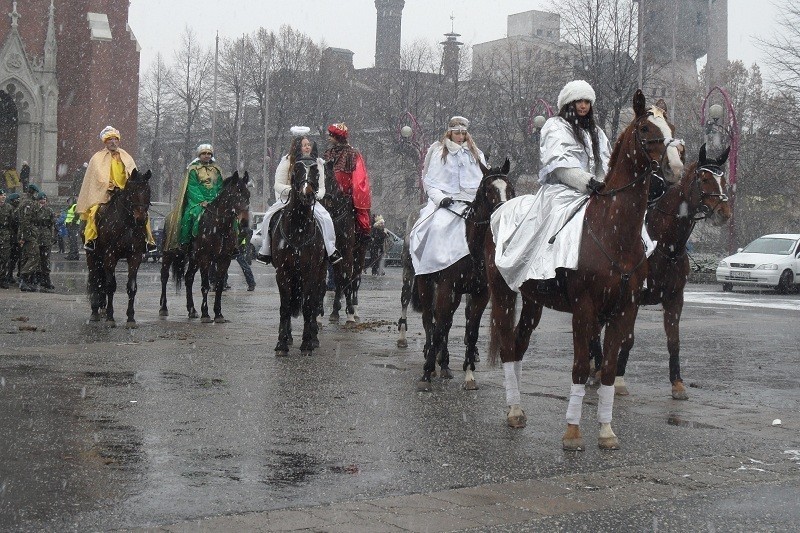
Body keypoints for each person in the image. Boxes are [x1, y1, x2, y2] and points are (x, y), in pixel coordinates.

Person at [491, 79, 613, 293]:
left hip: (596, 189)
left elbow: (605, 163)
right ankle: (547, 273)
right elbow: (559, 166)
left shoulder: (598, 132)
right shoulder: (555, 126)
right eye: (578, 101)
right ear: (569, 104)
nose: (583, 106)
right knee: (556, 215)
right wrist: (587, 182)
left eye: (587, 101)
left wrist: (602, 183)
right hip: (563, 189)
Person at [409, 116, 486, 275]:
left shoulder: (476, 154)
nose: (460, 137)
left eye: (463, 133)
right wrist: (440, 199)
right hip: (446, 202)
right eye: (457, 133)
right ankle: (432, 268)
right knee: (436, 227)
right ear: (450, 133)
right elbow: (431, 183)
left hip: (471, 202)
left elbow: (483, 182)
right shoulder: (439, 153)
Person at [255, 126, 342, 265]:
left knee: (326, 219)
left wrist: (315, 195)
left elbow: (322, 187)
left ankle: (331, 250)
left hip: (310, 200)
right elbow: (278, 184)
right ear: (297, 146)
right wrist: (294, 192)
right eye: (305, 145)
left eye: (309, 145)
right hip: (288, 199)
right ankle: (266, 250)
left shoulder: (317, 162)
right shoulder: (287, 161)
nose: (308, 147)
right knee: (268, 217)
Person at [76, 126, 157, 253]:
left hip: (125, 192)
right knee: (95, 211)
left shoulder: (126, 156)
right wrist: (111, 186)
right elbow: (98, 178)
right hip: (105, 193)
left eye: (115, 139)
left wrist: (129, 187)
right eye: (110, 140)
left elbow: (133, 175)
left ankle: (148, 241)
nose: (113, 142)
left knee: (142, 213)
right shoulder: (97, 158)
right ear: (105, 142)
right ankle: (91, 239)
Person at [163, 144, 224, 253]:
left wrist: (216, 199)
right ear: (199, 155)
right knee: (191, 215)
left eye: (209, 154)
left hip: (214, 201)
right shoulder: (193, 169)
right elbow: (192, 186)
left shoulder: (216, 170)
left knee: (229, 217)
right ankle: (185, 242)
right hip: (197, 202)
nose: (207, 156)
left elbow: (220, 186)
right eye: (204, 153)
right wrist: (202, 200)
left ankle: (233, 245)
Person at [322, 122, 372, 241]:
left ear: (337, 137)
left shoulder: (353, 154)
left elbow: (359, 177)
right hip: (328, 194)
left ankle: (361, 234)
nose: (329, 137)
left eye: (331, 135)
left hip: (346, 196)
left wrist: (354, 194)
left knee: (358, 217)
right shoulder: (327, 153)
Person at [16, 183, 42, 292]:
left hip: (29, 233)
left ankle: (26, 281)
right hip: (29, 234)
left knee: (28, 256)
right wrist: (24, 236)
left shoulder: (28, 202)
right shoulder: (28, 203)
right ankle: (24, 279)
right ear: (33, 192)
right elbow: (25, 221)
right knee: (34, 256)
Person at [35, 192, 55, 291]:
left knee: (46, 258)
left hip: (46, 236)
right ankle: (37, 277)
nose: (42, 202)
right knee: (36, 258)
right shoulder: (34, 210)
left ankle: (46, 278)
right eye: (40, 200)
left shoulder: (49, 210)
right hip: (36, 236)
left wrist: (53, 236)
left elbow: (52, 224)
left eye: (44, 200)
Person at [0, 188, 12, 289]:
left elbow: (12, 222)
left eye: (4, 195)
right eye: (1, 195)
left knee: (5, 258)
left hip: (5, 235)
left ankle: (3, 279)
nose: (3, 197)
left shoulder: (9, 207)